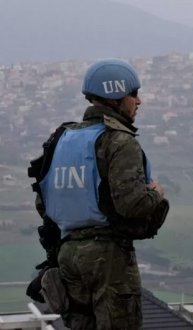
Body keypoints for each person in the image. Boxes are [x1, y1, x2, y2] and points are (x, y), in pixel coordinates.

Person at [26, 58, 169, 330]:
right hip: (108, 259)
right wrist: (156, 194)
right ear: (115, 96)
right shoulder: (119, 140)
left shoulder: (62, 139)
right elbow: (132, 205)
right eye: (134, 94)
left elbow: (44, 203)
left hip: (67, 256)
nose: (138, 102)